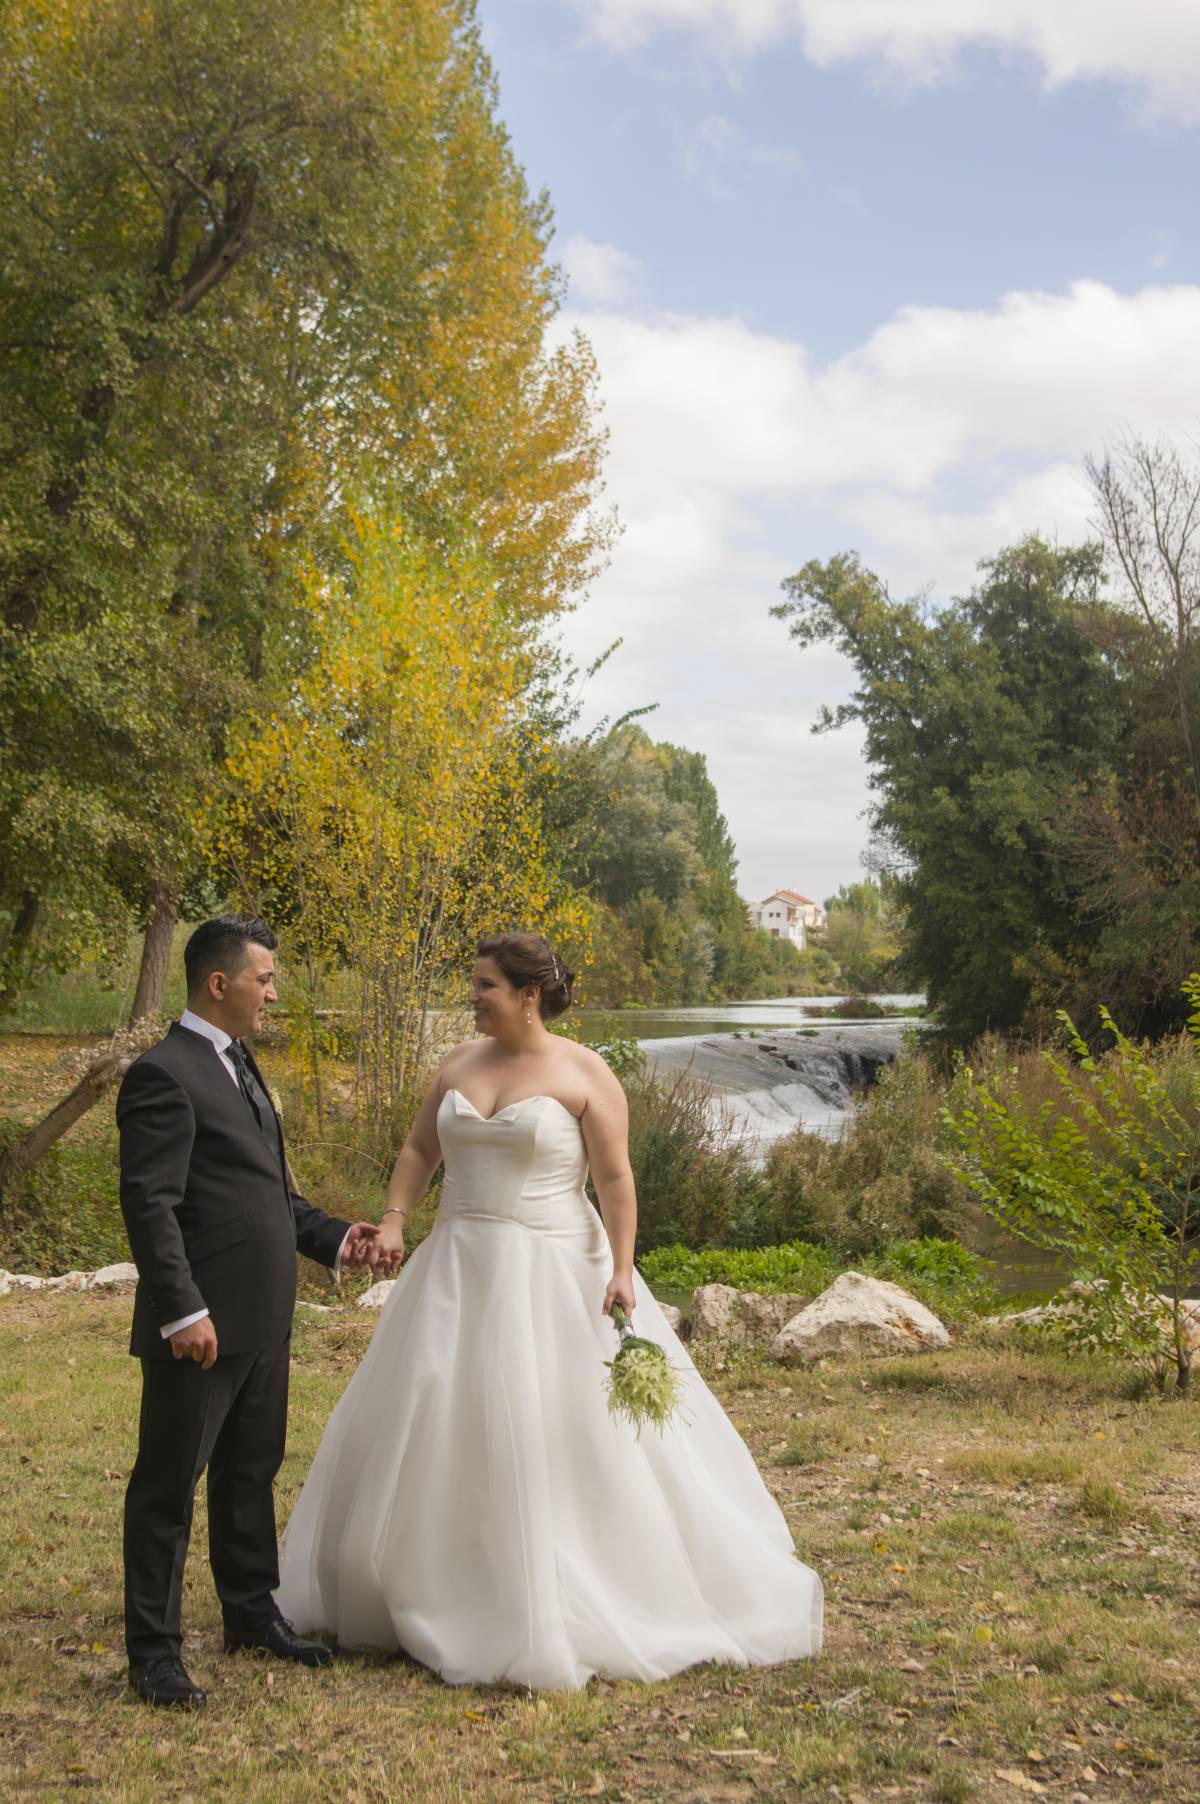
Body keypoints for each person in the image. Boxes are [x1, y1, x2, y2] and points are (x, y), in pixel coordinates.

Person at [275, 931, 823, 1688]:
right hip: (458, 1267)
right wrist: (397, 1218)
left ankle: (574, 1585)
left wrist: (625, 1269)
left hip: (557, 1269)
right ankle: (429, 1582)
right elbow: (415, 1153)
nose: (473, 997)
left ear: (530, 995)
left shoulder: (585, 1072)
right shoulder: (457, 1067)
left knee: (553, 1429)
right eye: (473, 984)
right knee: (439, 1415)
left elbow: (616, 1178)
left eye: (485, 986)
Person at [117, 914, 392, 1709]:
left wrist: (342, 1239)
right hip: (199, 1328)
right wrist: (181, 1312)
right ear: (220, 983)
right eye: (264, 979)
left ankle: (248, 1613)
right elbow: (151, 1206)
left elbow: (271, 1197)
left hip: (266, 1317)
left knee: (250, 1473)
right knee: (168, 1488)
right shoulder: (163, 1074)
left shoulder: (238, 1064)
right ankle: (155, 1654)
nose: (274, 992)